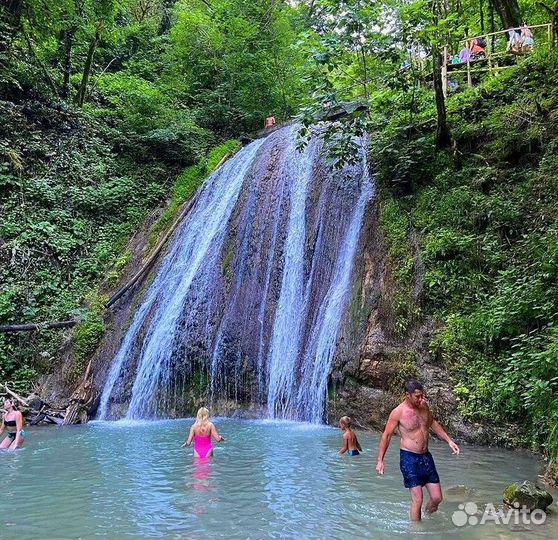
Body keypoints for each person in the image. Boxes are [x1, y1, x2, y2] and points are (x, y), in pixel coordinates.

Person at [375, 380, 460, 522]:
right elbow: (387, 435)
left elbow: (432, 423)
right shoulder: (398, 412)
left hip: (426, 457)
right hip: (409, 459)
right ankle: (417, 532)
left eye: (422, 396)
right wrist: (380, 460)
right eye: (417, 397)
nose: (421, 399)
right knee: (418, 499)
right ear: (407, 395)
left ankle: (427, 517)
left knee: (437, 498)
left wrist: (449, 440)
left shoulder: (424, 406)